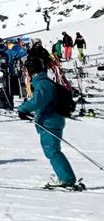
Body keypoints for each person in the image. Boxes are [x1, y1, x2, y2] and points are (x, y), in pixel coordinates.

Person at [17, 56, 83, 191]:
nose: (25, 73)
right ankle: (65, 176)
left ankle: (66, 178)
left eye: (26, 70)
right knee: (52, 150)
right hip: (50, 119)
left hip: (50, 121)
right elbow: (38, 101)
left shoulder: (42, 83)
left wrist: (23, 109)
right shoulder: (42, 82)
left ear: (31, 69)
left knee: (52, 151)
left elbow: (38, 101)